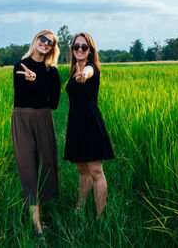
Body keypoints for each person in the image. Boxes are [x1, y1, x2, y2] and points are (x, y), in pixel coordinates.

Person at [11, 30, 61, 235]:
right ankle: (37, 227)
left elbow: (55, 103)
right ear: (35, 40)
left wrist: (38, 79)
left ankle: (41, 209)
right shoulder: (20, 66)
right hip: (21, 119)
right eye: (43, 39)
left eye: (50, 42)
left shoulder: (52, 71)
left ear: (52, 48)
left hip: (44, 119)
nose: (46, 43)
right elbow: (21, 95)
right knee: (28, 169)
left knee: (47, 165)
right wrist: (30, 79)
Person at [64, 32, 115, 220]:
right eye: (76, 46)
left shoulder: (91, 68)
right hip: (76, 124)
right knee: (82, 171)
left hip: (90, 124)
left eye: (84, 47)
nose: (79, 49)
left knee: (96, 172)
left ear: (90, 50)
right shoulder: (73, 70)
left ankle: (100, 217)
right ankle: (79, 207)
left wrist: (83, 75)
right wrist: (77, 75)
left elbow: (87, 74)